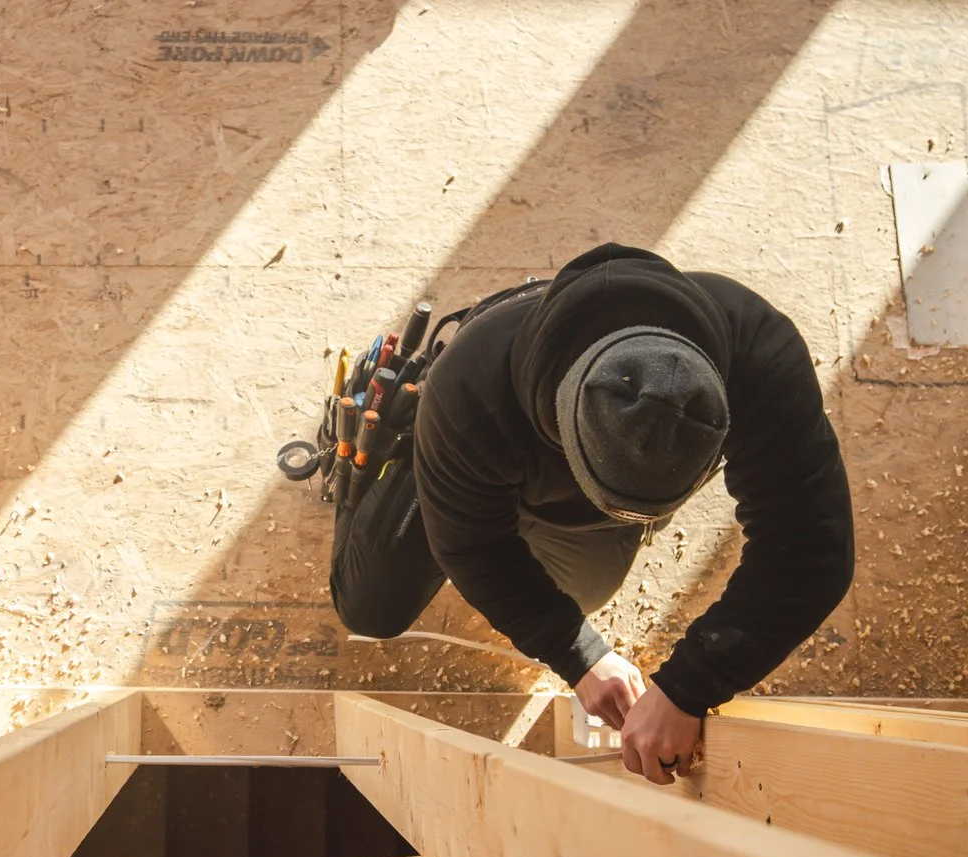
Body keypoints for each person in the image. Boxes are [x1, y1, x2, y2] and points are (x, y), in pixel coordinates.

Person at [328, 245, 854, 784]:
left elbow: (811, 548)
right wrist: (576, 654)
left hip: (537, 469)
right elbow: (473, 547)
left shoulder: (758, 350)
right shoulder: (468, 398)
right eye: (614, 501)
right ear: (561, 429)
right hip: (469, 443)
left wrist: (687, 686)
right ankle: (403, 459)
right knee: (368, 608)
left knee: (580, 598)